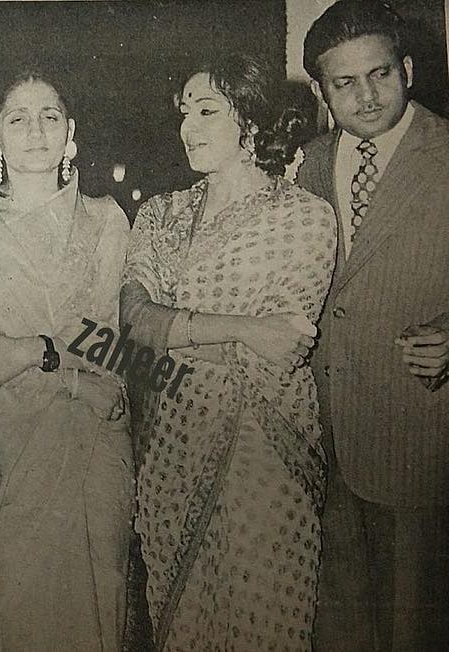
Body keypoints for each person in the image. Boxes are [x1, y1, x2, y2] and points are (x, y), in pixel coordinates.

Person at [121, 54, 337, 650]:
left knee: (265, 622)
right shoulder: (159, 213)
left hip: (265, 461)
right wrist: (241, 329)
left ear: (249, 120)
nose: (190, 126)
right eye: (184, 112)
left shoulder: (304, 218)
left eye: (208, 110)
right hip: (167, 459)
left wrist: (176, 334)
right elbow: (130, 329)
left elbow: (283, 350)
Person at [0, 70, 133, 650]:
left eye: (49, 117)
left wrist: (32, 350)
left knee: (92, 612)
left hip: (92, 441)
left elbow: (110, 342)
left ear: (71, 132)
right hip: (1, 440)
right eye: (17, 119)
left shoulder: (105, 220)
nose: (35, 132)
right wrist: (61, 365)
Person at [296, 2, 449, 649]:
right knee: (340, 631)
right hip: (321, 439)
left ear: (408, 68)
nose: (366, 95)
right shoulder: (304, 163)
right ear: (320, 90)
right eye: (344, 83)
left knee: (414, 629)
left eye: (380, 74)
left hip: (418, 436)